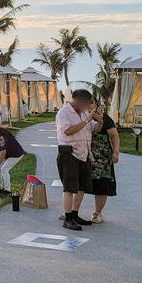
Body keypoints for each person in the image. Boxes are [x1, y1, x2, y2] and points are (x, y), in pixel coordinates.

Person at [55, 89, 99, 231]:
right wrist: (86, 120)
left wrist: (100, 119)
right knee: (69, 187)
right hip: (69, 153)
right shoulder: (64, 113)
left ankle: (75, 214)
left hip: (83, 153)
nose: (87, 106)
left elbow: (95, 129)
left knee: (81, 187)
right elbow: (67, 131)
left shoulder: (85, 112)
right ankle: (68, 218)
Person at [86, 103, 119, 223]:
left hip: (102, 159)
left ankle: (97, 213)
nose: (89, 108)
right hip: (83, 156)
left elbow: (114, 136)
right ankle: (71, 211)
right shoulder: (80, 117)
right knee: (78, 185)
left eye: (90, 105)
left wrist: (115, 152)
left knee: (102, 185)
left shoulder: (105, 118)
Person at [0, 120, 25, 195]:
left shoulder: (1, 136)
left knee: (4, 169)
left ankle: (7, 190)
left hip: (16, 154)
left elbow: (3, 152)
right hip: (8, 155)